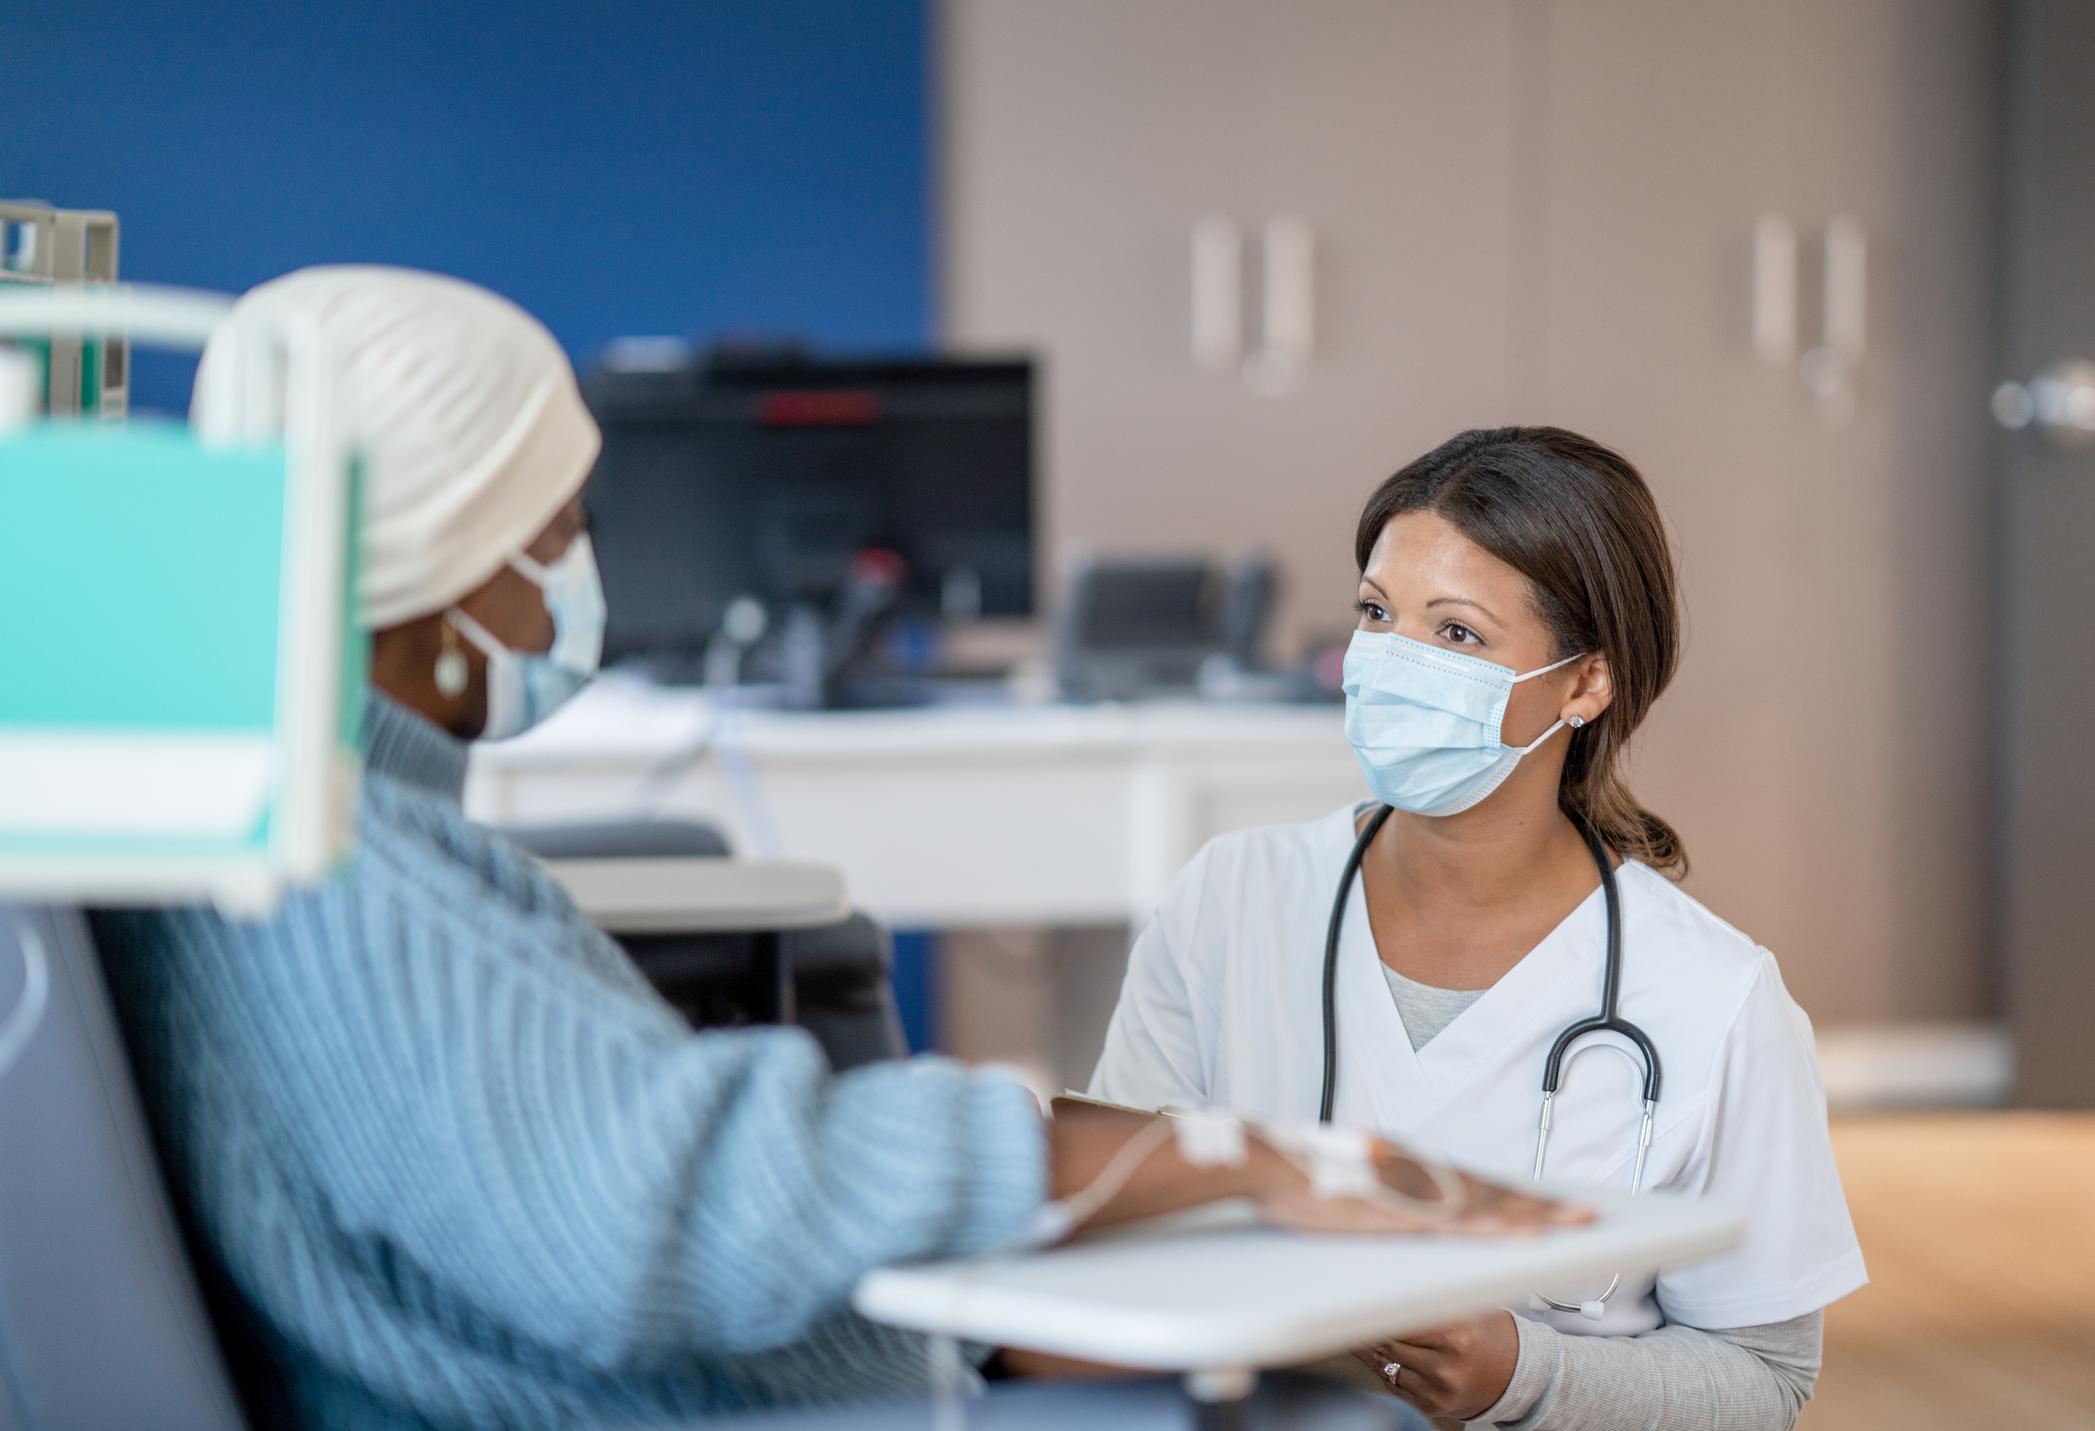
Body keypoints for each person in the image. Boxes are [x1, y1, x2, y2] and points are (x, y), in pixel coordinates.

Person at [93, 269, 1569, 1430]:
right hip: (680, 1395)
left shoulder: (305, 809)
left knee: (1303, 1339)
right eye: (555, 533)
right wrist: (1225, 1151)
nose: (573, 586)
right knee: (1319, 1390)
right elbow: (654, 1204)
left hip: (749, 1355)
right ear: (435, 570)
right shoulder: (340, 883)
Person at [1089, 428, 1867, 1430]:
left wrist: (1522, 1376)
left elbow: (1762, 1380)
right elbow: (1109, 1225)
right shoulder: (1231, 899)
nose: (1392, 664)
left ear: (1587, 682)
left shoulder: (1713, 998)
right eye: (1377, 614)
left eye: (1455, 634)